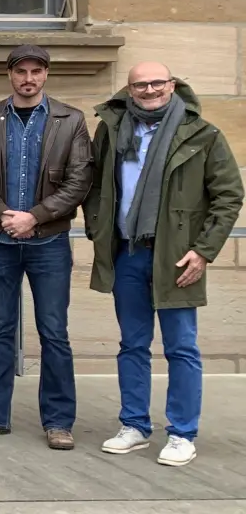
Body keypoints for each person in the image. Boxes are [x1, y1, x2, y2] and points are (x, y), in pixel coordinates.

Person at [87, 63, 242, 467]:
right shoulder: (113, 129)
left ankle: (181, 433)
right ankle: (135, 425)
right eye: (141, 84)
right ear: (130, 89)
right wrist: (96, 227)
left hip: (177, 255)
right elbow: (94, 184)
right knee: (132, 345)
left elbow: (228, 195)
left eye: (157, 82)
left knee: (181, 347)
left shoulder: (203, 135)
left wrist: (204, 250)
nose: (149, 89)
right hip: (128, 252)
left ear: (172, 86)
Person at [0, 46, 93, 451]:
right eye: (21, 71)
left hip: (49, 242)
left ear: (47, 74)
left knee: (54, 332)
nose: (28, 78)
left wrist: (34, 216)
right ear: (10, 75)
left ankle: (58, 421)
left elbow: (79, 181)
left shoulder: (71, 120)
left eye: (36, 71)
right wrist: (4, 214)